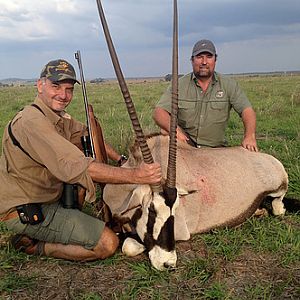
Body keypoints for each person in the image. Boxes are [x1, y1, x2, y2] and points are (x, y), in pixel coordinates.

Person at [0, 59, 162, 261]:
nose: (63, 95)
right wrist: (136, 175)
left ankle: (65, 223)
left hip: (48, 197)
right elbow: (78, 166)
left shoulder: (56, 117)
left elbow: (91, 138)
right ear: (40, 85)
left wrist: (119, 159)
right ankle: (35, 246)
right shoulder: (32, 122)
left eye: (69, 89)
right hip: (27, 209)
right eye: (56, 86)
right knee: (108, 243)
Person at [153, 39, 258, 152]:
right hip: (185, 146)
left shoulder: (229, 85)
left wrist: (250, 136)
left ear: (215, 60)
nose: (204, 62)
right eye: (199, 57)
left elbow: (246, 110)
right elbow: (159, 112)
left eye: (209, 56)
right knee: (164, 134)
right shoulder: (179, 84)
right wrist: (176, 131)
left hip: (215, 149)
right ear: (192, 60)